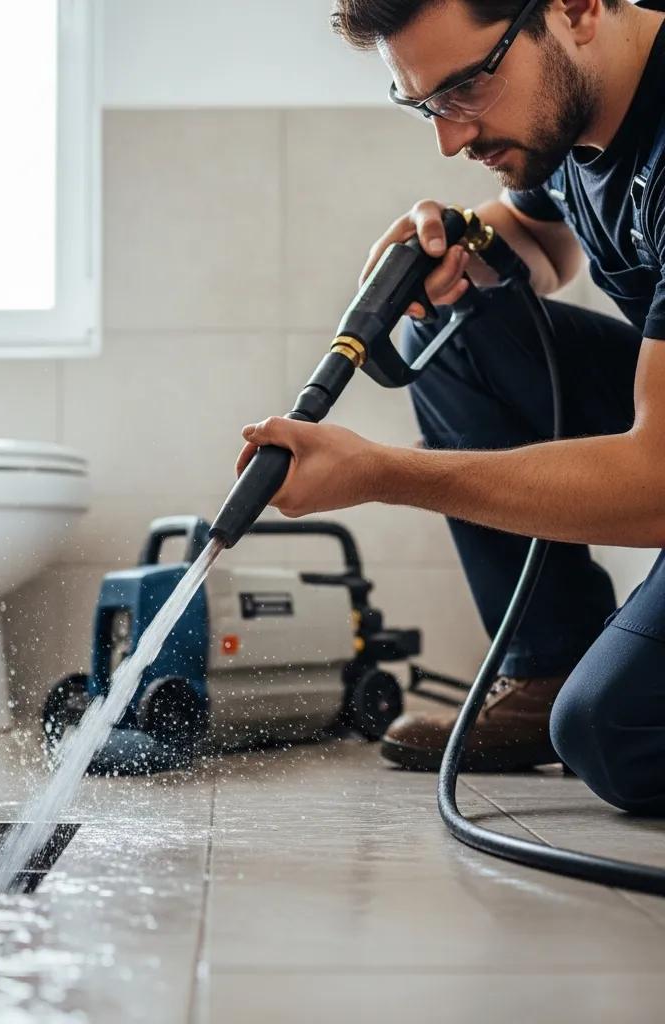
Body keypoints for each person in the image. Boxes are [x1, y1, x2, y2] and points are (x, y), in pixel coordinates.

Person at [237, 0, 665, 813]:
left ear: (575, 8)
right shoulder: (578, 118)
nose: (451, 138)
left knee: (615, 730)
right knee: (457, 329)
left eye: (466, 88)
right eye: (427, 104)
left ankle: (581, 700)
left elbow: (657, 484)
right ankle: (548, 664)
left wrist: (383, 474)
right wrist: (463, 249)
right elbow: (544, 247)